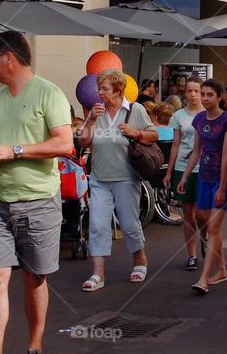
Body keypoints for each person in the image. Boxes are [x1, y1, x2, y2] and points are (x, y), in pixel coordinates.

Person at [0, 32, 73, 354]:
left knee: (34, 278)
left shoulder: (49, 93)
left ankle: (34, 343)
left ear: (9, 58)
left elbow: (64, 144)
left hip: (38, 201)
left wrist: (13, 151)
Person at [76, 68, 157, 291]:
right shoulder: (96, 111)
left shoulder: (135, 110)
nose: (99, 93)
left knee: (129, 223)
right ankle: (98, 273)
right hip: (99, 178)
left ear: (118, 90)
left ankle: (140, 259)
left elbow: (153, 135)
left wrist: (136, 133)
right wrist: (91, 120)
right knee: (98, 225)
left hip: (126, 178)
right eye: (99, 88)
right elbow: (83, 143)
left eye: (104, 89)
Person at [178, 78, 227, 294]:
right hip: (203, 176)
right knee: (203, 221)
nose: (204, 98)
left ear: (219, 97)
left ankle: (203, 278)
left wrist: (222, 188)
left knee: (212, 228)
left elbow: (226, 155)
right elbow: (196, 151)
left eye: (209, 95)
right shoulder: (199, 119)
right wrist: (184, 176)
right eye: (202, 94)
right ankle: (222, 269)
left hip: (223, 179)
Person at [164, 76, 203, 271]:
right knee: (188, 213)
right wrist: (169, 171)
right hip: (182, 167)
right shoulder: (179, 115)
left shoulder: (208, 114)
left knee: (202, 214)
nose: (194, 95)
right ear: (185, 93)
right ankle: (192, 255)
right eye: (190, 91)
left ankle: (204, 237)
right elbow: (175, 145)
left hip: (204, 169)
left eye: (197, 91)